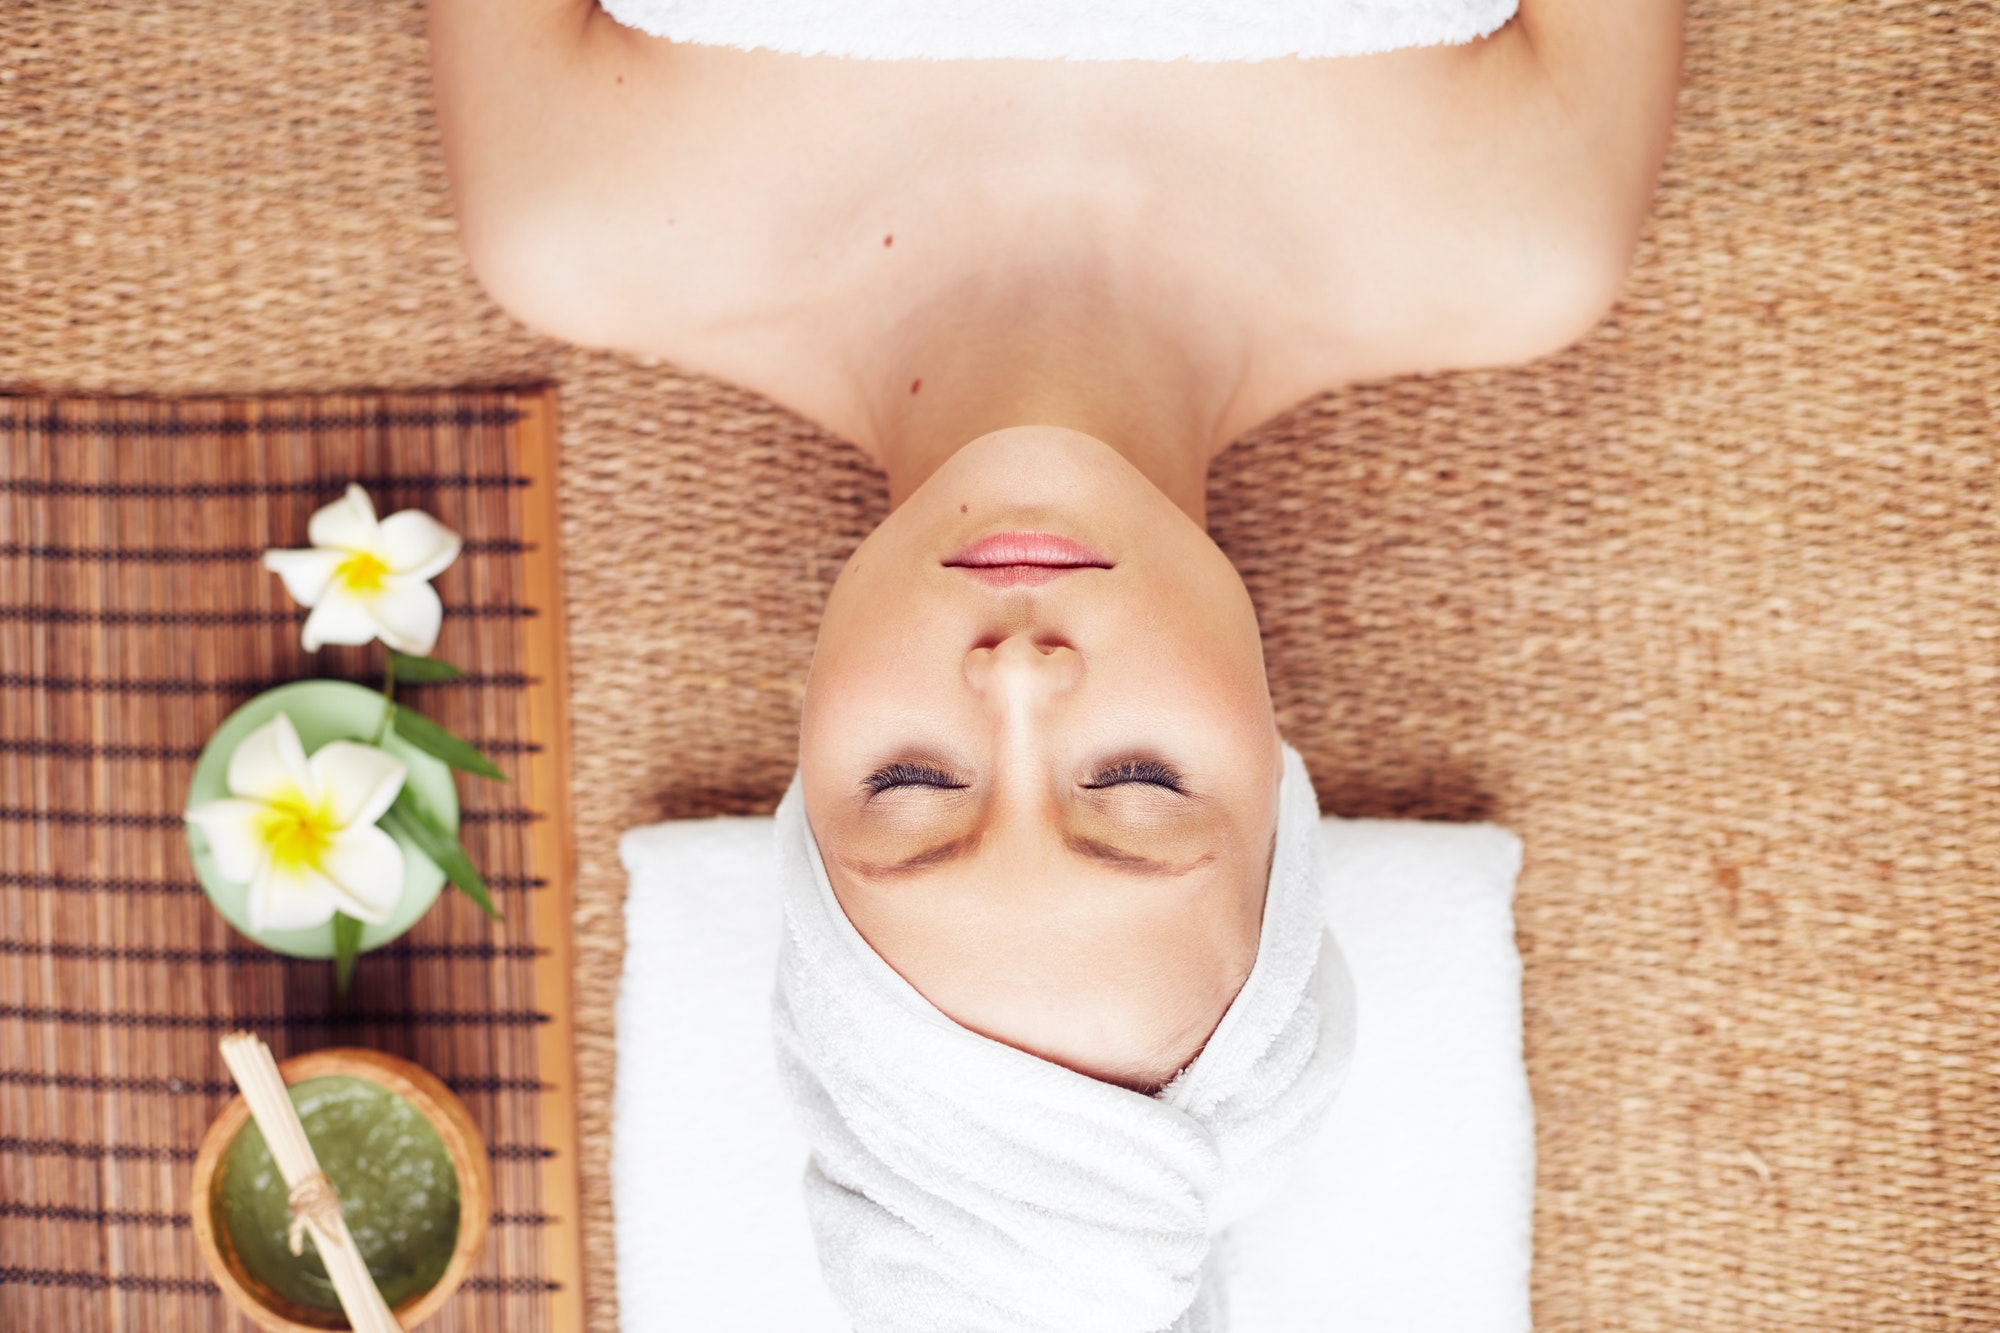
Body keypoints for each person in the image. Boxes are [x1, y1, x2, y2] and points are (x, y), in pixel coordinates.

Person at [428, 4, 1682, 1325]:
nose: (1019, 677)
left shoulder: (575, 204)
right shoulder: (1519, 219)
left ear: (808, 788)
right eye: (1137, 782)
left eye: (912, 783)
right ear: (1279, 789)